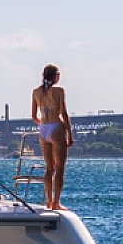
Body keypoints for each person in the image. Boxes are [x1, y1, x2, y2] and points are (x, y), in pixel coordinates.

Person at [31, 63, 73, 210]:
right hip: (56, 127)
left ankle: (49, 201)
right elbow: (64, 113)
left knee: (49, 168)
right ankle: (56, 203)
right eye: (58, 74)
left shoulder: (36, 92)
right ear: (55, 76)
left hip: (43, 129)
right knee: (60, 169)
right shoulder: (59, 90)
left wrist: (43, 124)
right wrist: (69, 133)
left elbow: (34, 116)